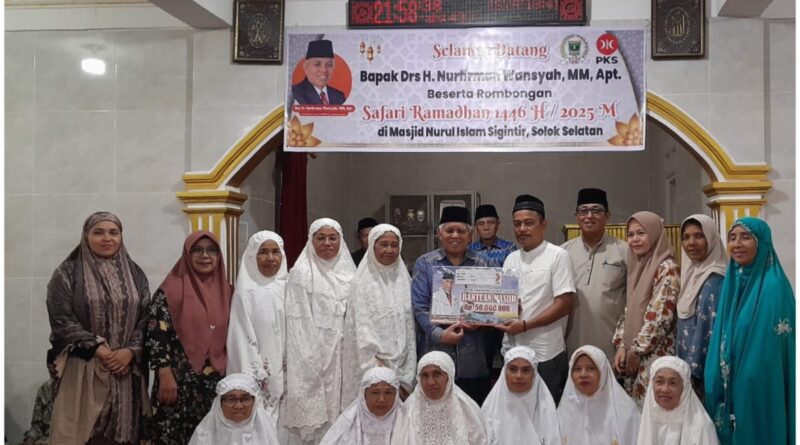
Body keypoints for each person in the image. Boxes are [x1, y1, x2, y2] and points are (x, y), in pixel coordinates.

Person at [46, 211, 151, 445]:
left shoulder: (135, 274)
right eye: (98, 232)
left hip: (126, 371)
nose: (107, 238)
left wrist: (130, 351)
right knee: (82, 434)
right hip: (84, 368)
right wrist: (100, 349)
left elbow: (146, 318)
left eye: (114, 232)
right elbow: (61, 318)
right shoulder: (67, 273)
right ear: (86, 236)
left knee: (124, 435)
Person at [704, 217, 795, 445]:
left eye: (745, 237)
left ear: (761, 243)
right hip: (730, 387)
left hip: (760, 388)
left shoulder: (774, 287)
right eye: (732, 238)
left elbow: (773, 348)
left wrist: (747, 379)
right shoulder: (732, 281)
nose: (737, 244)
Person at [147, 231, 233, 445]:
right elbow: (157, 334)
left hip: (215, 384)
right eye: (197, 250)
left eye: (211, 250)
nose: (205, 256)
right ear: (187, 254)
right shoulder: (169, 292)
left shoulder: (229, 293)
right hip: (176, 384)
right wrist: (164, 373)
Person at [282, 218, 357, 444]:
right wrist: (310, 357)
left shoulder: (351, 274)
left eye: (333, 238)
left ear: (341, 241)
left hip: (344, 354)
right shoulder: (301, 273)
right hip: (314, 353)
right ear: (311, 241)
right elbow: (299, 322)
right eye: (321, 238)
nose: (327, 243)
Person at [411, 206, 495, 404]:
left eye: (461, 231)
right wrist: (440, 335)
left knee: (472, 412)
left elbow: (491, 305)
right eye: (449, 230)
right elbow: (420, 308)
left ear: (470, 235)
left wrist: (481, 320)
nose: (455, 235)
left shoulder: (483, 264)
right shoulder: (425, 264)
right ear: (439, 234)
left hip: (474, 359)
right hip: (435, 357)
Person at [497, 194, 576, 404]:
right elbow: (504, 303)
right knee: (517, 411)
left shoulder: (558, 255)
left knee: (546, 411)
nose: (522, 229)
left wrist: (525, 325)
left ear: (543, 224)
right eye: (517, 224)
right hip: (514, 351)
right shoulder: (511, 259)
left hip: (546, 352)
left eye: (529, 223)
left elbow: (564, 304)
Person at [342, 224, 416, 405]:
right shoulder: (361, 283)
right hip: (373, 362)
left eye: (394, 245)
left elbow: (409, 326)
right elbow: (361, 328)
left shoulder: (404, 280)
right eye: (384, 244)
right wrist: (377, 367)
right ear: (372, 246)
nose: (390, 250)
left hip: (404, 362)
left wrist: (406, 368)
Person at [612, 211, 680, 406]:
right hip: (635, 357)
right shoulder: (638, 266)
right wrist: (622, 346)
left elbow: (659, 318)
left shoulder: (667, 268)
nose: (635, 239)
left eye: (641, 233)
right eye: (631, 234)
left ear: (655, 233)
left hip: (654, 357)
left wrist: (635, 351)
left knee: (652, 412)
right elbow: (629, 310)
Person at [226, 231, 288, 426]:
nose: (270, 258)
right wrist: (257, 374)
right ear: (252, 256)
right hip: (260, 371)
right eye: (263, 252)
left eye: (275, 252)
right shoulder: (246, 293)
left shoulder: (289, 288)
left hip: (288, 372)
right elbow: (241, 336)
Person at [562, 188, 628, 362]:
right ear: (577, 216)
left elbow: (634, 301)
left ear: (607, 216)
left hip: (612, 347)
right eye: (583, 211)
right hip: (572, 343)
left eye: (596, 210)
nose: (589, 216)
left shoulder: (624, 251)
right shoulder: (563, 253)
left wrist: (624, 344)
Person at [675, 214, 725, 397]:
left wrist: (691, 372)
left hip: (700, 373)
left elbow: (708, 330)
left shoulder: (715, 280)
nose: (691, 243)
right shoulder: (691, 273)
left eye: (699, 236)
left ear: (711, 238)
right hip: (685, 367)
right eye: (686, 237)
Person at [391, 351, 487, 445]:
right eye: (425, 376)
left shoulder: (466, 408)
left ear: (449, 376)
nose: (431, 382)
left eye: (436, 374)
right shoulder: (410, 408)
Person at [557, 345, 640, 445]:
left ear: (603, 371)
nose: (583, 374)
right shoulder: (564, 410)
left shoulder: (626, 413)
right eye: (577, 369)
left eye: (590, 368)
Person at [481, 346, 560, 445]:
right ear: (504, 372)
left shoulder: (546, 410)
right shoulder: (491, 408)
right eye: (513, 369)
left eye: (526, 370)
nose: (519, 376)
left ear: (534, 374)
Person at [638, 356, 719, 445]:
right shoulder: (649, 418)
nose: (665, 389)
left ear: (684, 388)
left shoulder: (701, 427)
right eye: (659, 381)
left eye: (672, 383)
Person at [188, 373, 280, 444]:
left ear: (255, 402)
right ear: (220, 404)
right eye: (231, 399)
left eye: (245, 399)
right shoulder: (203, 437)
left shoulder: (267, 434)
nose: (238, 406)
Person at [320, 367, 402, 445]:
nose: (382, 399)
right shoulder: (347, 423)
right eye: (375, 393)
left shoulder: (405, 421)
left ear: (396, 395)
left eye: (388, 393)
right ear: (364, 395)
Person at [292, 39, 346, 105]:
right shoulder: (295, 93)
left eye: (329, 65)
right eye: (317, 64)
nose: (324, 70)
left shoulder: (339, 96)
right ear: (305, 67)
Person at [22, 351, 58, 445]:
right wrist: (30, 438)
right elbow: (37, 426)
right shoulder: (45, 390)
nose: (53, 376)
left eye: (56, 372)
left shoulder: (75, 392)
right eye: (50, 372)